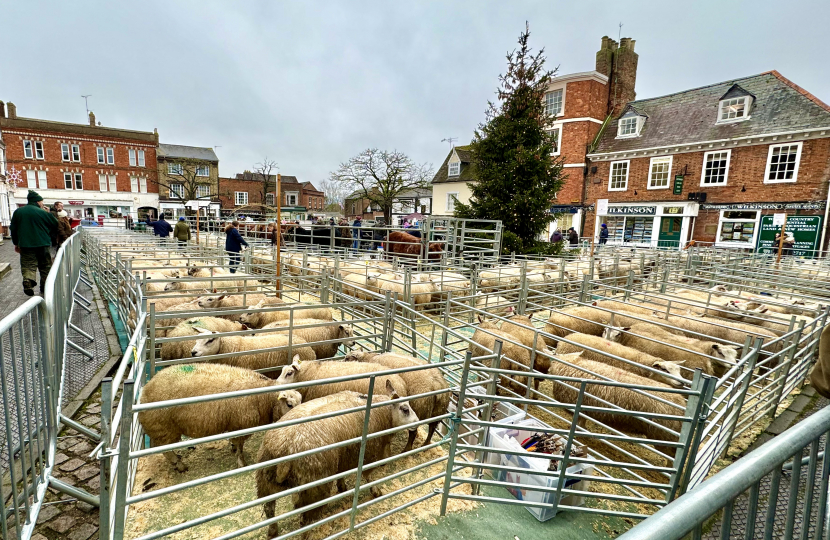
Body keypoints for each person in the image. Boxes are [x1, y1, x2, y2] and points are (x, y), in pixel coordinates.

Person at [10, 191, 59, 296]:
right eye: (42, 201)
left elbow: (13, 229)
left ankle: (28, 280)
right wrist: (49, 213)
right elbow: (55, 224)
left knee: (28, 265)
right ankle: (45, 287)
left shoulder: (18, 212)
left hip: (26, 244)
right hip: (43, 243)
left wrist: (16, 243)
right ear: (37, 201)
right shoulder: (42, 212)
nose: (42, 203)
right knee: (45, 266)